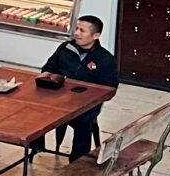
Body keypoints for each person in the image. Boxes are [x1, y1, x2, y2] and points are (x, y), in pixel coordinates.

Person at [42, 14, 118, 158]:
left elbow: (110, 89)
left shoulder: (105, 59)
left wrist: (90, 97)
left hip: (87, 105)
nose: (76, 33)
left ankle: (78, 161)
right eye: (76, 28)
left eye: (82, 30)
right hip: (59, 98)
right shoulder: (65, 48)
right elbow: (48, 68)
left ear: (96, 35)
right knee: (35, 110)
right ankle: (36, 146)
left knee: (84, 121)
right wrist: (47, 76)